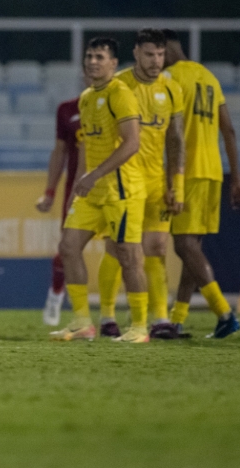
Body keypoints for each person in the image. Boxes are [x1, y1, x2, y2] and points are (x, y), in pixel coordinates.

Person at [50, 37, 150, 343]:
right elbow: (85, 150)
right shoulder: (86, 98)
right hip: (92, 191)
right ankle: (82, 322)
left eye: (99, 57)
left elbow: (132, 143)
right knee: (68, 247)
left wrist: (95, 174)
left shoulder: (122, 94)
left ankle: (140, 327)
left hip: (122, 189)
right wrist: (77, 190)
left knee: (128, 256)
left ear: (113, 64)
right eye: (89, 56)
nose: (93, 61)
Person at [99, 29, 185, 339]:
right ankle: (107, 315)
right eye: (150, 54)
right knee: (118, 248)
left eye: (160, 55)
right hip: (124, 179)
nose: (156, 61)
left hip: (156, 181)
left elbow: (175, 139)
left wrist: (177, 182)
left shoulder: (171, 88)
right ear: (136, 53)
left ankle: (160, 318)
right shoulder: (119, 85)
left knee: (157, 247)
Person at [161, 29, 240, 339]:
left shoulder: (170, 77)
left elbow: (172, 131)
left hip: (189, 170)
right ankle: (178, 319)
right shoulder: (208, 76)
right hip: (213, 172)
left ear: (166, 50)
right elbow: (230, 131)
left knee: (183, 245)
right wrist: (235, 178)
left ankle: (224, 312)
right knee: (191, 249)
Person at [35, 67, 89, 327]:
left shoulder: (119, 107)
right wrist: (50, 192)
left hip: (113, 186)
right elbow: (59, 153)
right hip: (77, 188)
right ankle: (57, 295)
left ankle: (113, 316)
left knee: (122, 249)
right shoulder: (67, 110)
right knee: (68, 246)